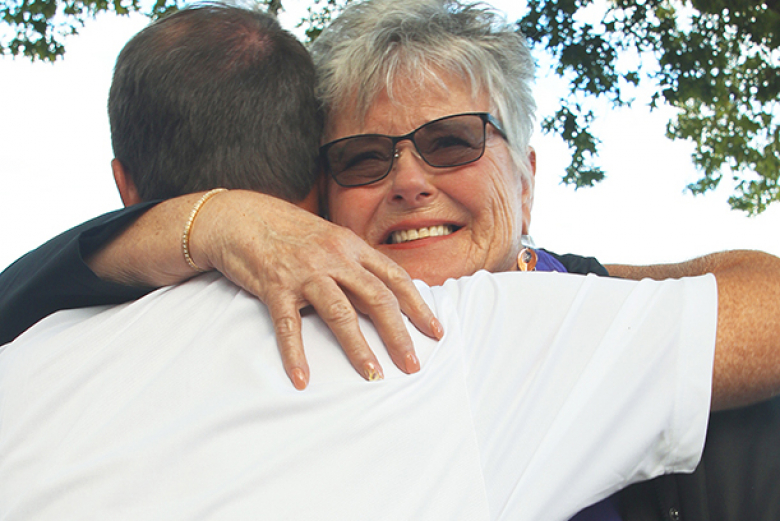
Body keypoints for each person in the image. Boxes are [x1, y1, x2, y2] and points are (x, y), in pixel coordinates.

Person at [0, 0, 778, 519]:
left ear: (528, 177)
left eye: (452, 140)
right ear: (314, 200)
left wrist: (570, 280)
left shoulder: (563, 327)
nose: (409, 180)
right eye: (365, 158)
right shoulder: (425, 349)